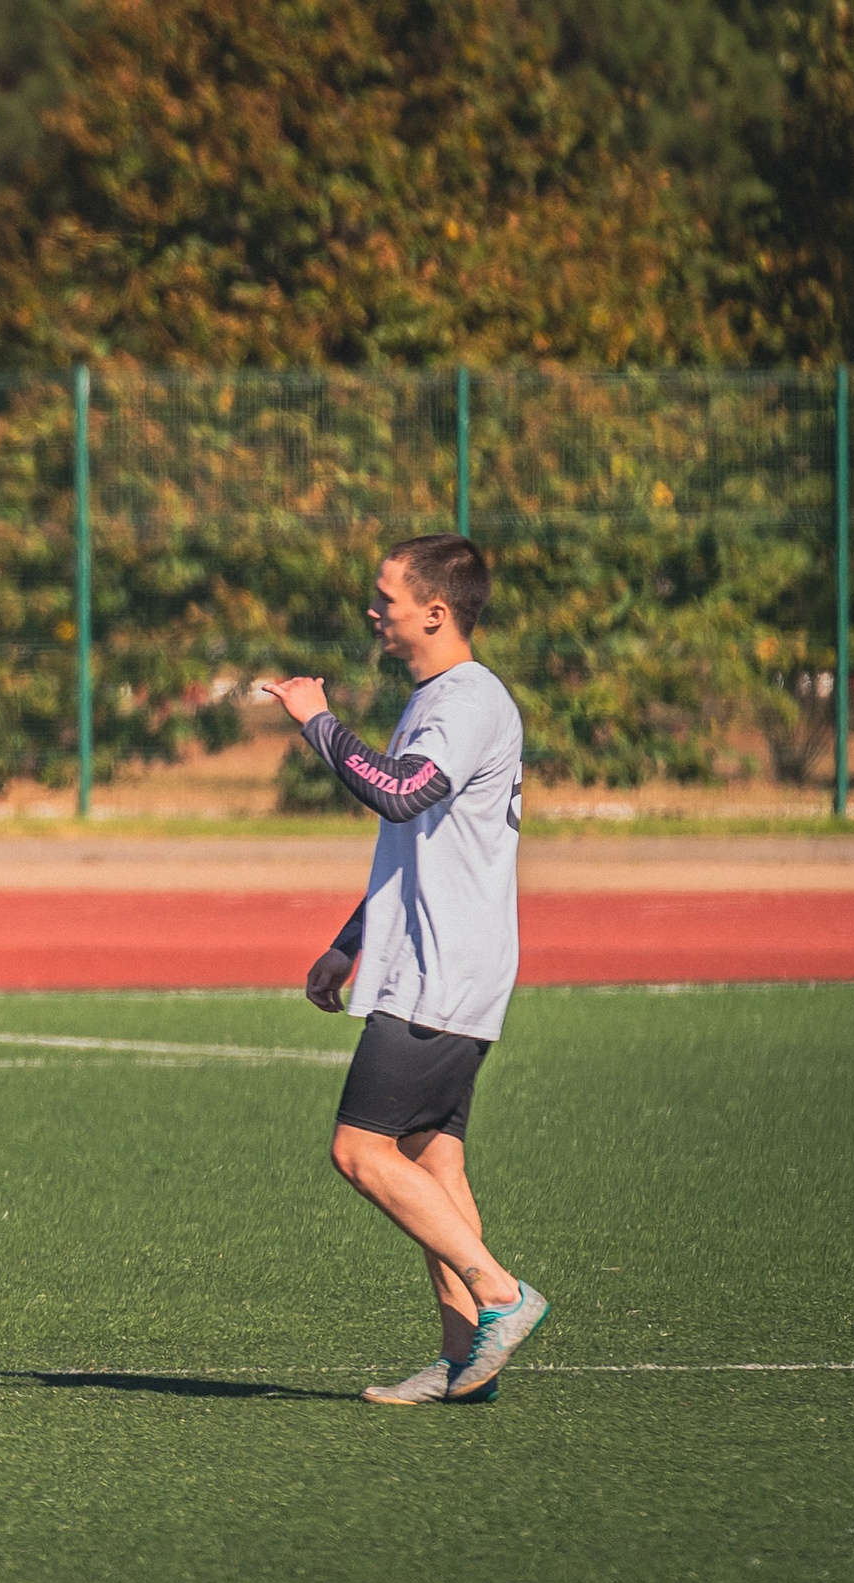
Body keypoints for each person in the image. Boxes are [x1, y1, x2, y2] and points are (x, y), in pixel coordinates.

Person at [261, 533, 549, 1406]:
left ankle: (501, 1294)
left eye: (385, 595)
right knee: (435, 1161)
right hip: (431, 961)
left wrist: (316, 719)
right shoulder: (437, 698)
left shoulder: (466, 700)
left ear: (436, 609)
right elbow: (413, 841)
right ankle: (469, 1358)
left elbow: (399, 791)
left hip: (443, 970)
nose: (371, 608)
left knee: (359, 1150)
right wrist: (352, 941)